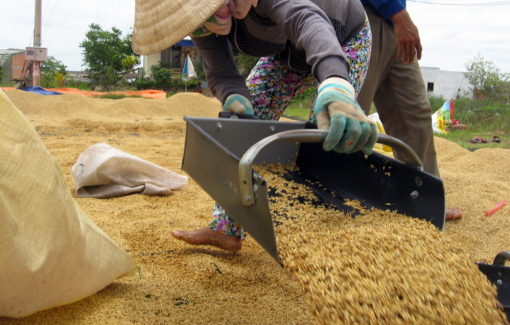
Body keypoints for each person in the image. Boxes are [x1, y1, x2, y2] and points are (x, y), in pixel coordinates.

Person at [132, 0, 376, 252]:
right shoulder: (200, 21)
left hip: (339, 39)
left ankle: (311, 244)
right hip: (286, 53)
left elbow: (308, 21)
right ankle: (226, 228)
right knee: (248, 119)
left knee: (320, 135)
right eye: (206, 13)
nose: (223, 12)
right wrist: (233, 96)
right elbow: (222, 72)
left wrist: (335, 83)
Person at [356, 0, 462, 221]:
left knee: (415, 115)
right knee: (351, 112)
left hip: (392, 22)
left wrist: (396, 16)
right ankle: (326, 198)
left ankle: (424, 200)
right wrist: (398, 14)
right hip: (360, 14)